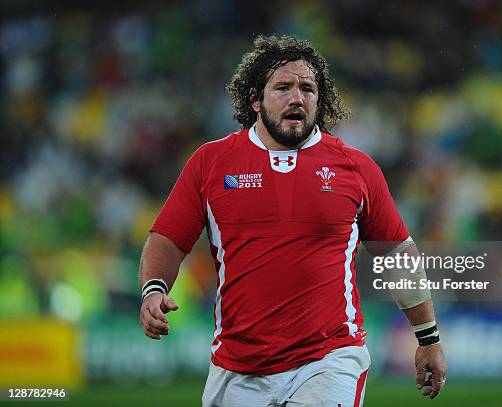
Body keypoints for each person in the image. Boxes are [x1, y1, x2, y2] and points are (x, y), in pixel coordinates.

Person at [139, 35, 447, 406]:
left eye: (307, 88)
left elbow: (397, 254)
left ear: (320, 100)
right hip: (237, 368)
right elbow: (169, 238)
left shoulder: (356, 167)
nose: (297, 97)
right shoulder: (211, 163)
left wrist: (428, 338)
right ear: (255, 99)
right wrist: (154, 290)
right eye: (283, 87)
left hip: (330, 359)